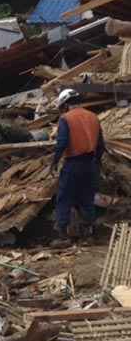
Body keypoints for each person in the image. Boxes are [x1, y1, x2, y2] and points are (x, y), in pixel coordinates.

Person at [51, 89, 105, 242]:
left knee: (64, 198)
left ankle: (62, 236)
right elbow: (101, 145)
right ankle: (89, 234)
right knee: (87, 198)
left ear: (65, 105)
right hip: (90, 164)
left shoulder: (66, 118)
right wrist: (97, 162)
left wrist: (54, 162)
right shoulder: (93, 117)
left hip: (73, 164)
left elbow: (62, 143)